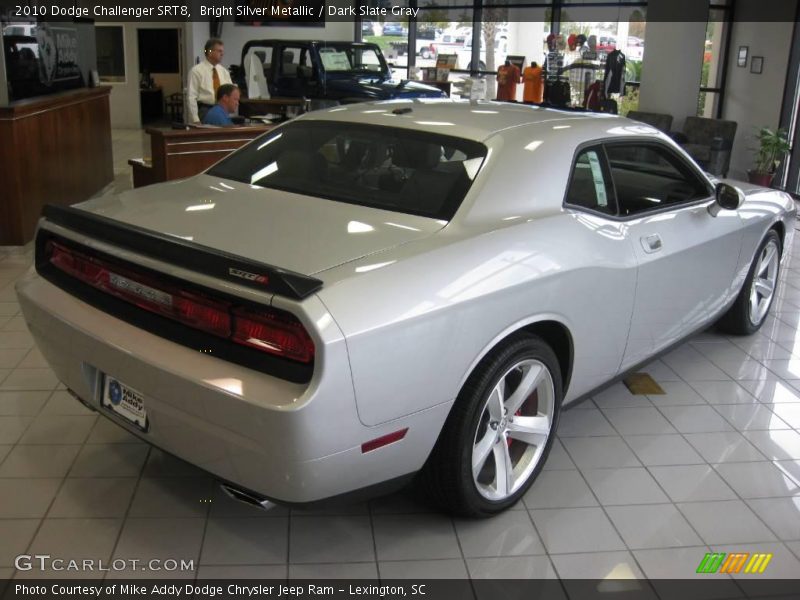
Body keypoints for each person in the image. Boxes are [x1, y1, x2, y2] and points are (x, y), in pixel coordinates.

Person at [187, 38, 232, 124]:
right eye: (219, 51)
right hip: (205, 110)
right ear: (210, 52)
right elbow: (191, 97)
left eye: (222, 51)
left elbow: (230, 92)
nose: (222, 53)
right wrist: (195, 119)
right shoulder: (196, 71)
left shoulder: (224, 72)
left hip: (222, 110)